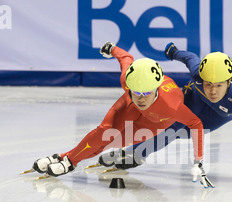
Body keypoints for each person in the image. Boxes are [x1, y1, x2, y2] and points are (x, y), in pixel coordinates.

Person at [31, 42, 214, 188]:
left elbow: (196, 124)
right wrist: (112, 48)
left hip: (155, 121)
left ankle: (63, 156)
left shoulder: (172, 106)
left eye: (146, 93)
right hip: (129, 106)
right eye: (137, 92)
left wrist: (198, 161)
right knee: (103, 133)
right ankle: (69, 161)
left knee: (109, 142)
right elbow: (126, 58)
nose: (141, 98)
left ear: (156, 89)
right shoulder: (128, 82)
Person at [103, 43, 232, 183]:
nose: (212, 91)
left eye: (219, 86)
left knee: (180, 133)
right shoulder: (198, 74)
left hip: (219, 114)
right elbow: (190, 56)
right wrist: (173, 52)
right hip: (195, 99)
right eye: (208, 84)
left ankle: (135, 152)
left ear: (229, 82)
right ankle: (135, 154)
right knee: (172, 127)